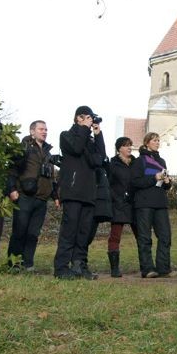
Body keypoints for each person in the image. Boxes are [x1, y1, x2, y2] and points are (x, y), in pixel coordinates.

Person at [54, 107, 106, 279]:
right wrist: (84, 128)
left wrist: (98, 136)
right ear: (78, 118)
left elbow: (100, 159)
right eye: (86, 118)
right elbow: (76, 148)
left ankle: (79, 266)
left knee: (84, 233)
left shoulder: (89, 141)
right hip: (73, 191)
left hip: (88, 193)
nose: (90, 121)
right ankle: (61, 268)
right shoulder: (66, 136)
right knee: (69, 231)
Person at [5, 120, 60, 272]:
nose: (45, 132)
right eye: (41, 129)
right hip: (24, 196)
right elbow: (12, 169)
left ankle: (28, 264)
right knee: (19, 231)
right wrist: (11, 189)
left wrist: (55, 196)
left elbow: (51, 176)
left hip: (41, 199)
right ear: (32, 131)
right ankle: (14, 264)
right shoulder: (24, 147)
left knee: (33, 234)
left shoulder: (48, 152)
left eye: (46, 129)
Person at [130, 132, 174, 278]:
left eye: (158, 140)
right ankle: (147, 269)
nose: (157, 142)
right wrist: (153, 177)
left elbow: (165, 185)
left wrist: (168, 183)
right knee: (144, 237)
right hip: (144, 203)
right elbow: (135, 182)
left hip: (160, 203)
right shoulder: (139, 161)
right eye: (154, 140)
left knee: (165, 236)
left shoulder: (162, 161)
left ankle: (163, 268)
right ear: (147, 142)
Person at [106, 137, 136, 277]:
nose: (129, 148)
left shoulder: (136, 163)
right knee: (115, 236)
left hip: (134, 204)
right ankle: (114, 268)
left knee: (141, 236)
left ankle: (146, 266)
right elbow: (108, 184)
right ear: (119, 149)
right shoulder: (113, 164)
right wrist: (115, 197)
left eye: (130, 145)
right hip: (118, 204)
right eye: (126, 146)